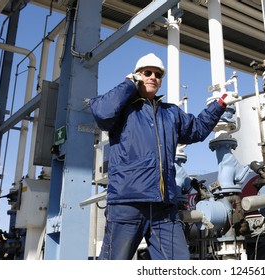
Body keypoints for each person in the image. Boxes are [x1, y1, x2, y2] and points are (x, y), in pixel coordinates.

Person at [89, 53, 239, 260]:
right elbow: (102, 113)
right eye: (147, 73)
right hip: (127, 205)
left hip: (163, 208)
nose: (153, 77)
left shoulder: (171, 113)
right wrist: (128, 84)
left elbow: (197, 129)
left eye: (158, 75)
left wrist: (219, 106)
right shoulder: (123, 109)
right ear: (137, 75)